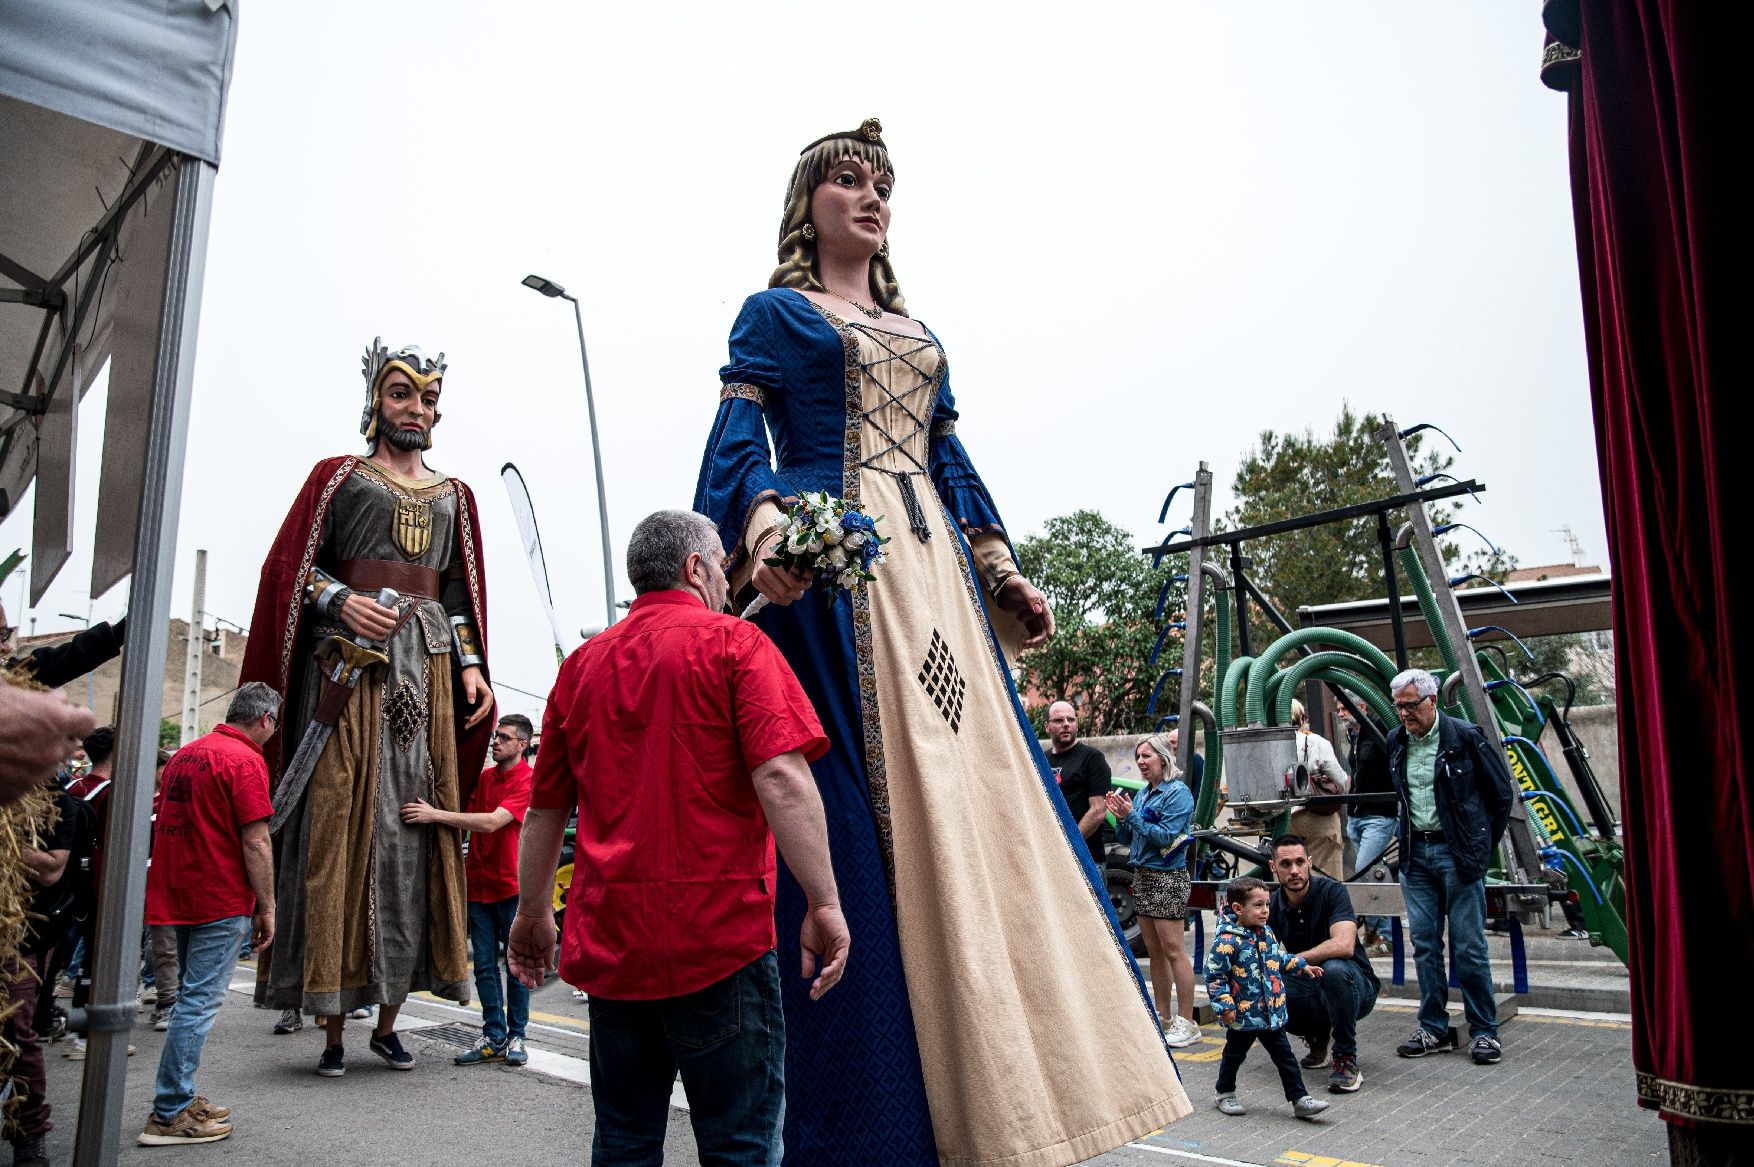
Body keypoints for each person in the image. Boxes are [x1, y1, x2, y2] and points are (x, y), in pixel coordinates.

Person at [692, 118, 1188, 1165]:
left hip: (940, 586)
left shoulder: (920, 330)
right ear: (806, 202)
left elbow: (951, 458)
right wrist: (769, 535)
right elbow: (738, 443)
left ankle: (1022, 1096)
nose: (869, 198)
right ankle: (878, 1127)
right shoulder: (774, 314)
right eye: (845, 181)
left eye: (881, 185)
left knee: (990, 810)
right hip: (842, 576)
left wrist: (1000, 564)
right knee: (871, 818)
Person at [506, 510, 851, 1164]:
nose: (728, 578)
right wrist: (826, 902)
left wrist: (531, 915)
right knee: (741, 1147)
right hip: (720, 945)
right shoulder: (735, 645)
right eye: (722, 563)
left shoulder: (579, 669)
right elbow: (782, 775)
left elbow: (545, 809)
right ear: (695, 567)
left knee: (625, 1144)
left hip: (613, 953)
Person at [240, 339, 495, 1078]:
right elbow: (290, 568)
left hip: (431, 673)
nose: (416, 408)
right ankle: (329, 1026)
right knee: (340, 826)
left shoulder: (456, 495)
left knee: (418, 832)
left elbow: (455, 592)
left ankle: (390, 1020)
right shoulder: (338, 476)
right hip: (349, 668)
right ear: (375, 401)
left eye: (426, 397)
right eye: (400, 394)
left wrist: (473, 668)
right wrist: (340, 599)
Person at [137, 683, 279, 1146]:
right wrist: (268, 905)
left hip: (176, 890)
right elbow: (256, 839)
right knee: (197, 1004)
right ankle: (170, 1108)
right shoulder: (244, 760)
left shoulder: (186, 754)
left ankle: (179, 1094)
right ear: (264, 720)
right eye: (273, 725)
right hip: (217, 896)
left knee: (187, 1001)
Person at [1385, 668, 1515, 1066]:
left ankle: (1484, 1032)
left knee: (1469, 947)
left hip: (1458, 856)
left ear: (1432, 700)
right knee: (1424, 945)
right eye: (1399, 707)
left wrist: (1478, 847)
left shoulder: (1465, 736)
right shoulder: (1397, 741)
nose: (1404, 714)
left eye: (1410, 705)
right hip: (1417, 857)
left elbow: (1501, 796)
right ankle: (1433, 1028)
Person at [401, 713, 534, 1068]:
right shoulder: (484, 778)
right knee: (485, 966)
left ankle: (517, 1034)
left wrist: (436, 815)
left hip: (511, 886)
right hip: (477, 884)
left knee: (517, 965)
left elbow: (491, 823)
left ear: (523, 744)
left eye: (504, 738)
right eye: (496, 736)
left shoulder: (528, 780)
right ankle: (494, 1035)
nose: (496, 742)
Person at [2, 773, 84, 1166]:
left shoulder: (57, 803)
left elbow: (52, 868)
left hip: (23, 939)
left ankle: (28, 1134)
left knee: (16, 1036)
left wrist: (9, 844)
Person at [1204, 877, 1330, 1121]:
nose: (1265, 911)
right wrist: (1225, 1006)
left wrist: (1302, 966)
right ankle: (1224, 1092)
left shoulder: (1266, 933)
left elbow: (1277, 959)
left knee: (1285, 1057)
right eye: (1258, 905)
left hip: (1270, 1013)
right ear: (1238, 909)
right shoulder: (1227, 941)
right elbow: (1214, 975)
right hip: (1243, 1014)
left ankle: (1300, 1099)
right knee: (1234, 1055)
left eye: (1267, 905)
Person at [1266, 835, 1381, 1094]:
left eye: (1299, 862)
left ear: (1309, 863)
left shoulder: (1332, 891)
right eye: (1285, 864)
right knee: (1266, 985)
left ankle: (1346, 1059)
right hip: (1311, 983)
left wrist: (1292, 960)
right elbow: (1262, 955)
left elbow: (1343, 945)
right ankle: (1317, 1035)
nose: (1294, 870)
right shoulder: (1272, 904)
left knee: (1334, 970)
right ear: (1273, 867)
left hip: (1356, 986)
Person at [1108, 734, 1201, 1049]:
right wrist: (1122, 817)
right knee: (1156, 953)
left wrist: (1131, 815)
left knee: (1174, 950)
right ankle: (1163, 1016)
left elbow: (1165, 838)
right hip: (1144, 876)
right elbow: (1130, 834)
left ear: (1163, 758)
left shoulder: (1177, 793)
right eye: (1138, 757)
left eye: (1146, 756)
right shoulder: (1145, 794)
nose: (1141, 762)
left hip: (1166, 877)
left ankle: (1187, 1022)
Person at [0, 610, 99, 806]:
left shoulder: (14, 677)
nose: (7, 648)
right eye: (1, 635)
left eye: (6, 634)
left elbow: (60, 660)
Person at [1335, 700, 1396, 953]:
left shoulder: (1379, 729)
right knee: (1378, 873)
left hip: (1379, 815)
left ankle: (1372, 928)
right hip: (1358, 815)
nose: (1341, 714)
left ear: (1360, 704)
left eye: (1344, 709)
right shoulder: (1356, 736)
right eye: (1338, 709)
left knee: (1365, 872)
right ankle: (1384, 934)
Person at [1043, 700, 1112, 868]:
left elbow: (1098, 811)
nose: (1066, 724)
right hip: (1049, 859)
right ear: (1047, 726)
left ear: (1077, 725)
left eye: (1071, 720)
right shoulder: (1041, 760)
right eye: (1059, 721)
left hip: (1086, 860)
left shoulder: (1092, 758)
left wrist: (1068, 845)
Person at [1287, 699, 1348, 876]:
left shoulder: (1265, 746)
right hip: (1316, 817)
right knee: (1327, 876)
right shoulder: (1314, 742)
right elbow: (1341, 781)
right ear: (1300, 717)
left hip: (1282, 820)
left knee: (1291, 878)